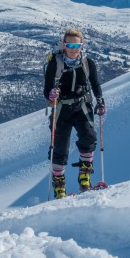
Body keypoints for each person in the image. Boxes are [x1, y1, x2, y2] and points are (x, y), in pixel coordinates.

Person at [44, 27, 106, 198]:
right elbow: (46, 89)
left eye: (76, 45)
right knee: (59, 148)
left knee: (89, 137)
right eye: (69, 45)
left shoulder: (88, 63)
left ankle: (84, 179)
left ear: (82, 45)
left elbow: (95, 84)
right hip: (62, 108)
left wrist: (100, 100)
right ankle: (60, 188)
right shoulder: (54, 64)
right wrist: (51, 94)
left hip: (81, 105)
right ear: (64, 45)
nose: (73, 48)